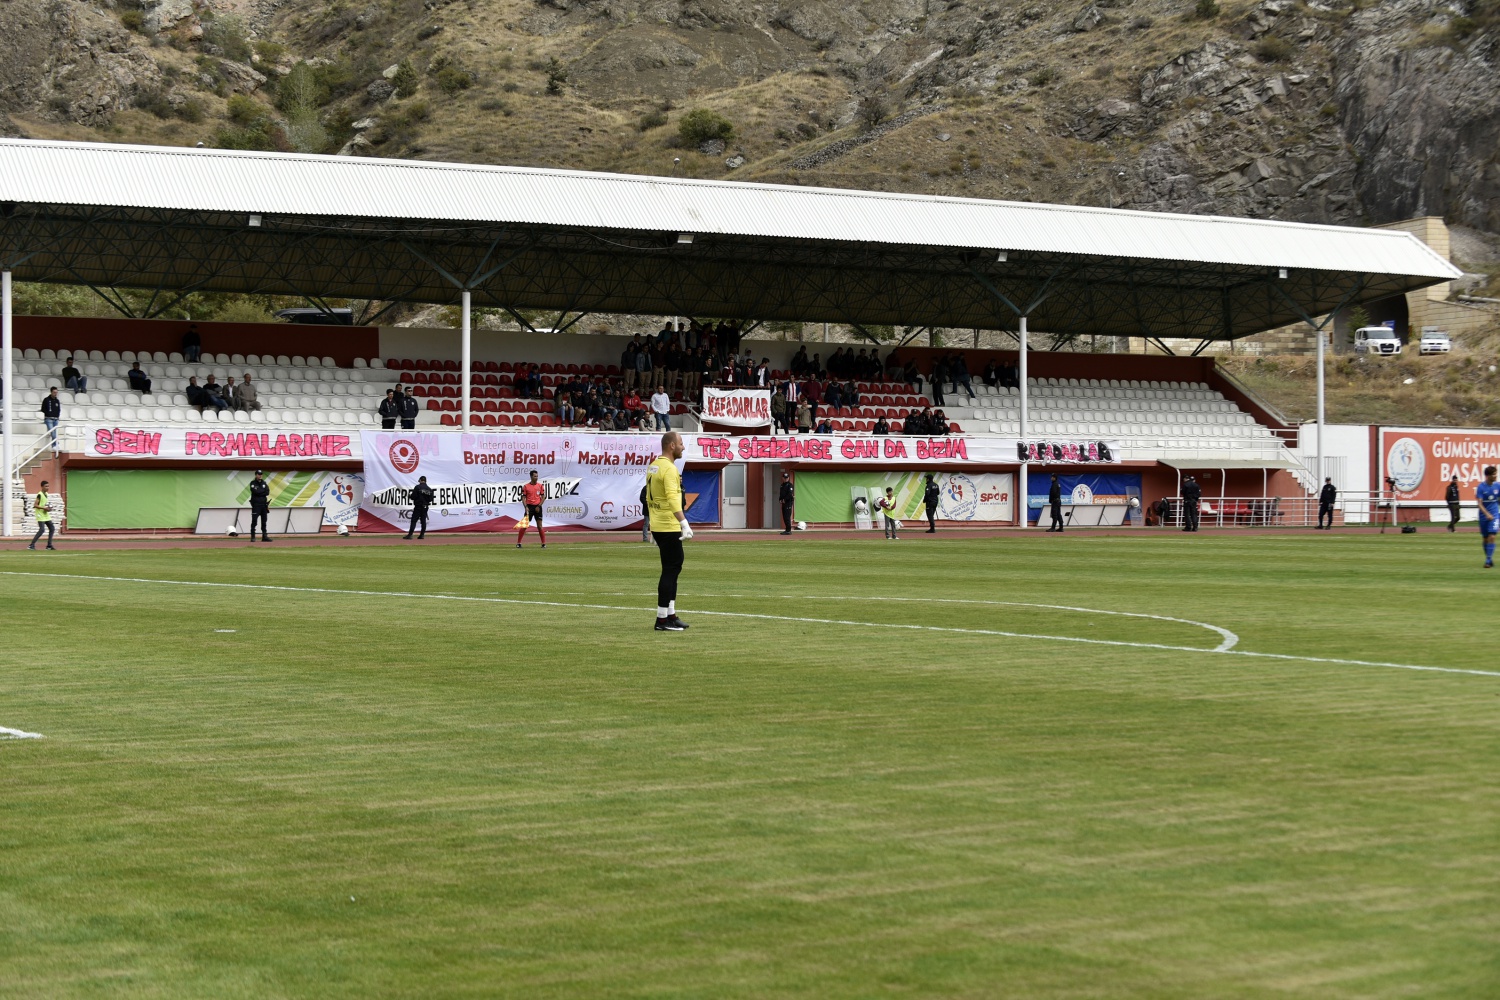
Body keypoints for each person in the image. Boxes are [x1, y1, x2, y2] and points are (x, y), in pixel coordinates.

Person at [646, 431, 692, 631]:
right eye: (680, 443)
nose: (683, 447)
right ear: (671, 445)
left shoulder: (654, 466)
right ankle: (662, 619)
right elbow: (673, 499)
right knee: (671, 569)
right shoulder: (670, 469)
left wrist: (651, 524)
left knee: (673, 568)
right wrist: (684, 522)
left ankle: (670, 614)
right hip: (668, 525)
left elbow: (649, 497)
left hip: (659, 524)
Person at [516, 469, 547, 549]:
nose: (536, 477)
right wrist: (526, 507)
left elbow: (543, 497)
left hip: (538, 507)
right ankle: (518, 543)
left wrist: (539, 506)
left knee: (539, 526)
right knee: (524, 526)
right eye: (534, 476)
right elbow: (523, 498)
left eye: (537, 476)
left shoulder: (540, 486)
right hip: (529, 507)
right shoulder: (526, 486)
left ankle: (543, 544)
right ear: (531, 477)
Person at [1478, 465, 1500, 568]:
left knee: (1492, 536)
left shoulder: (1498, 486)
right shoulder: (1481, 487)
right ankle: (1489, 559)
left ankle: (1487, 561)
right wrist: (1486, 514)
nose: (1496, 476)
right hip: (1483, 516)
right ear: (1488, 476)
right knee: (1485, 538)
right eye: (1494, 474)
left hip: (1495, 515)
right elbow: (1479, 503)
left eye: (1496, 473)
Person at [28, 480, 55, 550]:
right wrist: (44, 508)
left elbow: (44, 504)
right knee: (42, 530)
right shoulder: (39, 494)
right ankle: (31, 545)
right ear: (42, 487)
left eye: (48, 486)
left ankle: (49, 545)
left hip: (45, 514)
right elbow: (35, 505)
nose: (47, 487)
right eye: (46, 486)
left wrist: (48, 508)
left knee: (52, 528)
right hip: (40, 514)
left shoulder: (46, 494)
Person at [405, 475, 435, 539]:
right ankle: (422, 535)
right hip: (425, 507)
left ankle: (410, 535)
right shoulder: (429, 489)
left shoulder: (417, 487)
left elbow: (413, 497)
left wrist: (409, 496)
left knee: (414, 520)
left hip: (418, 506)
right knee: (423, 521)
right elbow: (431, 499)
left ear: (420, 480)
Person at [248, 469, 272, 542]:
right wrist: (262, 491)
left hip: (263, 505)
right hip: (256, 505)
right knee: (254, 520)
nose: (260, 475)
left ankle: (264, 536)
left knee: (264, 521)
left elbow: (267, 492)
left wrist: (260, 491)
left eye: (261, 474)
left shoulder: (264, 483)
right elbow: (255, 492)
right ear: (256, 475)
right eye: (258, 474)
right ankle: (253, 536)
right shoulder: (253, 483)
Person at [40, 387, 60, 452]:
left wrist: (57, 415)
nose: (55, 394)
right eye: (54, 392)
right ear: (51, 392)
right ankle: (55, 445)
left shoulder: (57, 401)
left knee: (55, 432)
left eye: (56, 392)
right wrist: (48, 414)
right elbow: (43, 409)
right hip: (49, 419)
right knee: (53, 432)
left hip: (56, 419)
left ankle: (55, 445)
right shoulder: (46, 400)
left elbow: (59, 409)